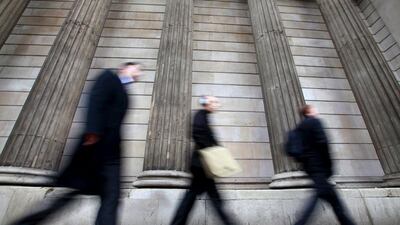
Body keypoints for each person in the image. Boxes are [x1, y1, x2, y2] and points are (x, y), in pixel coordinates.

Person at [10, 62, 142, 225]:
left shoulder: (124, 91)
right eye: (137, 68)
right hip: (95, 147)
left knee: (111, 197)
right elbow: (95, 101)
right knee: (71, 195)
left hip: (111, 154)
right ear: (125, 68)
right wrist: (92, 132)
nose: (139, 72)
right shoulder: (108, 77)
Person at [169, 96, 237, 225]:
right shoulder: (201, 115)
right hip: (202, 165)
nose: (217, 104)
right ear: (207, 104)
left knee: (195, 196)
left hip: (201, 165)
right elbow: (197, 133)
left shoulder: (204, 116)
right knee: (211, 198)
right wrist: (213, 149)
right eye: (214, 102)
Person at [294, 105, 355, 225]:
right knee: (321, 198)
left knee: (332, 199)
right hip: (320, 167)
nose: (316, 110)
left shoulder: (300, 128)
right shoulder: (315, 122)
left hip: (311, 168)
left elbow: (298, 150)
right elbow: (323, 143)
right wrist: (329, 165)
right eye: (313, 108)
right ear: (309, 112)